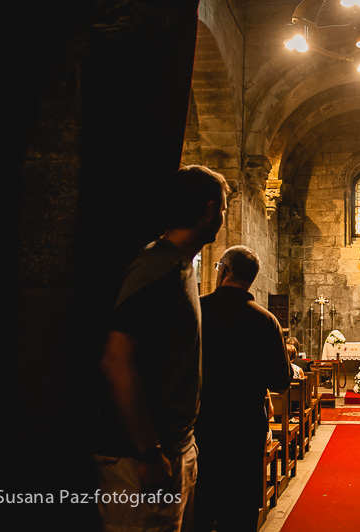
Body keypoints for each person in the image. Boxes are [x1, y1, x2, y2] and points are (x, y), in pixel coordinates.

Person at [93, 165, 229, 532]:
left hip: (173, 448)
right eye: (223, 210)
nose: (222, 218)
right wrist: (148, 452)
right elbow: (116, 360)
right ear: (208, 210)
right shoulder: (157, 266)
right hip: (141, 460)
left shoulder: (177, 266)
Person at [195, 245, 292, 532]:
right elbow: (281, 382)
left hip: (201, 425)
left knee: (200, 506)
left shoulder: (197, 310)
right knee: (239, 511)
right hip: (245, 428)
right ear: (251, 279)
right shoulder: (266, 321)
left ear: (223, 271)